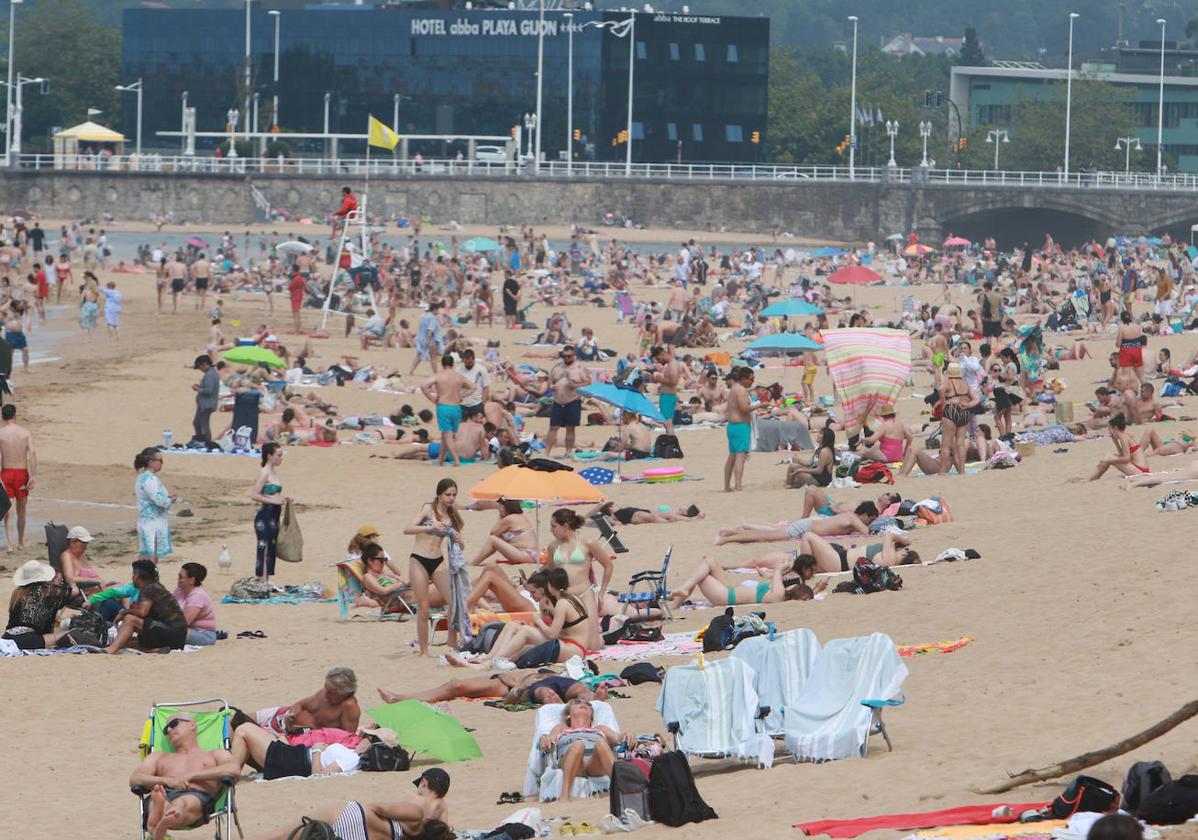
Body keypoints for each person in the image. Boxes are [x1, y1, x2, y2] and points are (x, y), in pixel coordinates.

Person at [242, 768, 451, 840]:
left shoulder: (415, 811)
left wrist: (364, 809)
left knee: (281, 835)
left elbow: (378, 808)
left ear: (424, 782)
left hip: (353, 816)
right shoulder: (413, 833)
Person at [128, 713, 234, 840]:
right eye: (165, 729)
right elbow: (135, 778)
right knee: (160, 800)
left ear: (192, 725)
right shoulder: (159, 757)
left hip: (198, 795)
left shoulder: (214, 754)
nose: (168, 730)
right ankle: (161, 815)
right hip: (165, 791)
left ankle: (159, 823)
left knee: (182, 803)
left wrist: (193, 775)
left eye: (173, 724)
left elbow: (233, 769)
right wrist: (168, 780)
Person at [404, 478, 464, 655]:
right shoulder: (428, 509)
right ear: (439, 494)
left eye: (454, 495)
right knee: (423, 607)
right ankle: (424, 650)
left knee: (454, 602)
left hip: (437, 560)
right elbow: (407, 529)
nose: (451, 498)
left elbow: (460, 546)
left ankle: (452, 642)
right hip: (419, 559)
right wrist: (429, 527)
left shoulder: (452, 517)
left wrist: (460, 541)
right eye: (448, 494)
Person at [544, 508, 612, 651]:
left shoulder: (587, 542)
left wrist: (601, 592)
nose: (551, 530)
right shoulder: (553, 546)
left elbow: (608, 565)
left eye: (554, 526)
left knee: (593, 646)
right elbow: (549, 571)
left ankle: (610, 632)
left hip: (584, 594)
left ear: (566, 526)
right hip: (564, 597)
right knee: (571, 639)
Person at [538, 700, 628, 802]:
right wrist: (544, 740)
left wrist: (626, 736)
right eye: (577, 702)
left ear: (591, 715)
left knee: (601, 744)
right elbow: (550, 739)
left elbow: (618, 738)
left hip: (595, 763)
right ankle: (564, 797)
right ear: (568, 715)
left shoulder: (600, 729)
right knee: (578, 745)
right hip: (570, 758)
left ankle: (622, 790)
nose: (584, 704)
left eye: (588, 704)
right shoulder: (561, 728)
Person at [106, 559, 189, 654]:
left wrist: (124, 612)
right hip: (178, 636)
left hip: (173, 633)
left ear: (136, 575)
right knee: (128, 642)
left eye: (133, 574)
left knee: (130, 619)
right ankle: (156, 650)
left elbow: (142, 612)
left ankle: (111, 650)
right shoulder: (156, 586)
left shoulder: (149, 588)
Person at [669, 555, 814, 608]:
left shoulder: (778, 594)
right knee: (710, 561)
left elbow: (776, 571)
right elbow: (775, 576)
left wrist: (783, 566)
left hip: (726, 597)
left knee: (702, 574)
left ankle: (681, 594)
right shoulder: (779, 593)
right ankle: (682, 592)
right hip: (730, 591)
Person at [256, 667, 362, 736]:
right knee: (241, 718)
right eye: (326, 687)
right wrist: (291, 714)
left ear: (343, 694)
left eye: (331, 692)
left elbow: (346, 738)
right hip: (282, 715)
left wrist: (305, 732)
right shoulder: (325, 692)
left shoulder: (349, 707)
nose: (326, 693)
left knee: (246, 731)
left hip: (289, 736)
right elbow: (300, 704)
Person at [3, 560, 83, 649]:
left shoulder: (17, 592)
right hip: (28, 639)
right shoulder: (46, 590)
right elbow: (74, 592)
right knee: (70, 633)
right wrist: (72, 581)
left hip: (8, 636)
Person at [714, 506, 874, 545]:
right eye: (870, 519)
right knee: (765, 537)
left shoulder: (848, 515)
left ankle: (729, 533)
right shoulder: (854, 519)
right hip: (805, 528)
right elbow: (867, 532)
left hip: (807, 525)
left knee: (768, 534)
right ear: (866, 515)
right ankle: (725, 539)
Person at [420, 354, 475, 467]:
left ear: (442, 364)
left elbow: (424, 386)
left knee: (447, 435)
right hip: (456, 407)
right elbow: (473, 387)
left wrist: (430, 397)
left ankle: (456, 460)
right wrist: (461, 395)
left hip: (444, 406)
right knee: (446, 435)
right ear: (452, 364)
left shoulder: (439, 376)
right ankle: (440, 460)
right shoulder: (459, 376)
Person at [250, 443, 291, 580]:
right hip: (265, 515)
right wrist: (274, 501)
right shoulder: (264, 472)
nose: (281, 458)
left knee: (271, 548)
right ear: (269, 456)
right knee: (264, 547)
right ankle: (262, 581)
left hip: (274, 515)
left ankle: (266, 581)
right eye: (278, 455)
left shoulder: (274, 472)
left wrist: (283, 498)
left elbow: (271, 494)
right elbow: (254, 495)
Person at [0, 404, 36, 552]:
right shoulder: (25, 433)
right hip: (21, 473)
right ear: (15, 415)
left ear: (3, 417)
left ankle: (9, 544)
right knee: (22, 510)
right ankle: (21, 542)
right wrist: (33, 475)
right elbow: (32, 453)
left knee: (8, 509)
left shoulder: (1, 433)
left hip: (6, 472)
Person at [797, 531, 919, 573]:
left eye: (904, 549)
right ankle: (805, 567)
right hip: (841, 556)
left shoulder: (890, 559)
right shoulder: (889, 556)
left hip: (839, 561)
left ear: (904, 553)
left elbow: (889, 536)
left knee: (807, 536)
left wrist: (905, 541)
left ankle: (805, 570)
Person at [546, 345, 591, 456]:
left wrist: (576, 385)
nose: (566, 358)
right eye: (564, 356)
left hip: (573, 401)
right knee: (553, 428)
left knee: (570, 428)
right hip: (557, 401)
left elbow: (588, 382)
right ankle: (547, 452)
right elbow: (550, 380)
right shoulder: (557, 367)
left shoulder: (580, 367)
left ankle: (568, 451)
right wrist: (551, 386)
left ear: (574, 355)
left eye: (569, 356)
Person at [468, 498, 539, 565]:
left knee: (492, 539)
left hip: (526, 554)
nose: (498, 509)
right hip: (531, 554)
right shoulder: (519, 517)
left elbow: (493, 533)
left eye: (500, 506)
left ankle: (473, 563)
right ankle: (474, 562)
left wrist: (500, 517)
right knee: (497, 540)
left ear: (505, 507)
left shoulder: (510, 519)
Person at [134, 447, 176, 560]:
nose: (162, 463)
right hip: (153, 523)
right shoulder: (150, 479)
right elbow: (159, 500)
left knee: (146, 556)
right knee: (151, 557)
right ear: (151, 462)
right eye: (160, 461)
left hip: (145, 521)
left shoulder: (141, 478)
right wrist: (170, 500)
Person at [939, 362, 977, 476]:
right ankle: (962, 471)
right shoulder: (965, 384)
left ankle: (942, 471)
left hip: (951, 410)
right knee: (960, 443)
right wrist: (968, 405)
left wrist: (943, 402)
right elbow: (976, 399)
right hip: (964, 411)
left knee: (946, 444)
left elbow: (940, 389)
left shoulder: (948, 382)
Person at [1087, 415, 1150, 481]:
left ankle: (1092, 479)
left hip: (1141, 471)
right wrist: (1116, 442)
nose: (1109, 431)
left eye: (1109, 429)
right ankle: (1092, 478)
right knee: (1111, 456)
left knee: (1108, 458)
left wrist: (1109, 461)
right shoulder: (1125, 435)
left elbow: (1127, 458)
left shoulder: (1123, 437)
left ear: (1115, 428)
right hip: (1140, 469)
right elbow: (1123, 455)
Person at [724, 366, 755, 492]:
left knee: (732, 456)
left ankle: (727, 486)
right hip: (740, 426)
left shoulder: (733, 389)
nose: (752, 382)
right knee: (740, 456)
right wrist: (760, 405)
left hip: (732, 426)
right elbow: (744, 408)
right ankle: (738, 485)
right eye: (751, 379)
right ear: (743, 378)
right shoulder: (741, 390)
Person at [173, 562, 218, 646]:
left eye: (181, 577)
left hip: (203, 633)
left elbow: (184, 622)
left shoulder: (197, 596)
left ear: (192, 580)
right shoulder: (179, 590)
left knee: (171, 633)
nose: (178, 579)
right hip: (188, 629)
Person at [59, 525, 103, 595]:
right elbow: (69, 578)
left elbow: (94, 574)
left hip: (97, 588)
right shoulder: (67, 555)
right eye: (84, 543)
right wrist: (93, 580)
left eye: (86, 543)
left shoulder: (81, 555)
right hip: (88, 593)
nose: (86, 547)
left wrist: (100, 581)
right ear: (73, 542)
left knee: (121, 588)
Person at [589, 500, 703, 525]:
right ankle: (670, 523)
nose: (618, 505)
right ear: (610, 508)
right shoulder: (612, 514)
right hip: (634, 516)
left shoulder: (620, 509)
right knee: (653, 517)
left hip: (640, 511)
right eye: (615, 504)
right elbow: (615, 523)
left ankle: (689, 518)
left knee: (669, 514)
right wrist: (600, 507)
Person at [650, 345, 681, 434]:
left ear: (662, 354)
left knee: (668, 424)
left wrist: (659, 378)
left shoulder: (673, 364)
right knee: (667, 424)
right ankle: (671, 443)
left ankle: (672, 444)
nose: (659, 361)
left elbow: (673, 381)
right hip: (667, 396)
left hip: (668, 396)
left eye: (658, 359)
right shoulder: (671, 364)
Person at [192, 355, 220, 445]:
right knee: (197, 423)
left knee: (204, 424)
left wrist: (198, 389)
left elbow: (209, 390)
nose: (200, 370)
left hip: (206, 405)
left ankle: (206, 443)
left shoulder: (209, 375)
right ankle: (200, 440)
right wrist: (200, 386)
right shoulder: (213, 373)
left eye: (200, 367)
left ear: (204, 364)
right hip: (205, 404)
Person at [457, 348, 491, 421]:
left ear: (474, 359)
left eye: (470, 363)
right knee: (460, 427)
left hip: (477, 403)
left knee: (477, 426)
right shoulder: (458, 370)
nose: (468, 365)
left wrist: (483, 403)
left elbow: (486, 387)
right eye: (466, 363)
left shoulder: (481, 369)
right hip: (462, 404)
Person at [1116, 309, 1145, 388]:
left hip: (1126, 351)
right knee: (1141, 376)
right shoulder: (1137, 326)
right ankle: (1148, 390)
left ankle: (1130, 392)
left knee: (1126, 375)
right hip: (1137, 350)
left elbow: (1118, 344)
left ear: (1122, 319)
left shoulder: (1122, 327)